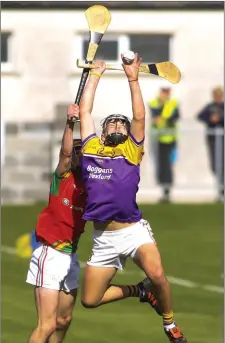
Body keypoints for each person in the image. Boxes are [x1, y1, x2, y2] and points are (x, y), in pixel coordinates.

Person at [79, 55, 187, 343]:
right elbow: (85, 111)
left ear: (128, 133)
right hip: (104, 238)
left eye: (121, 126)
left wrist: (132, 78)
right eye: (111, 125)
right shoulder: (90, 148)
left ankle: (169, 322)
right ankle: (139, 291)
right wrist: (96, 74)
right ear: (102, 133)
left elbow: (139, 116)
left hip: (133, 230)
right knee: (90, 300)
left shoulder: (131, 151)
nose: (117, 127)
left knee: (158, 273)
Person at [26, 104, 87, 343]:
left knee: (63, 321)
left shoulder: (91, 189)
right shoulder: (62, 177)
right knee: (47, 324)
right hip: (50, 253)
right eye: (78, 152)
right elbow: (64, 153)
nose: (81, 156)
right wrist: (71, 123)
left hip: (70, 256)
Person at [148, 86, 180, 203]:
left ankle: (167, 190)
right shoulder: (154, 102)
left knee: (168, 165)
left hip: (170, 139)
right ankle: (164, 189)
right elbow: (155, 114)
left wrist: (163, 119)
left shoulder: (173, 103)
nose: (165, 95)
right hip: (158, 139)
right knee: (161, 166)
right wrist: (163, 118)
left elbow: (174, 117)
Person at [196, 86, 224, 202]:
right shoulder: (210, 106)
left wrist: (220, 119)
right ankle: (220, 187)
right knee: (215, 165)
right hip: (212, 139)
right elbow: (200, 116)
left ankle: (222, 189)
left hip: (222, 139)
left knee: (222, 163)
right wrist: (210, 119)